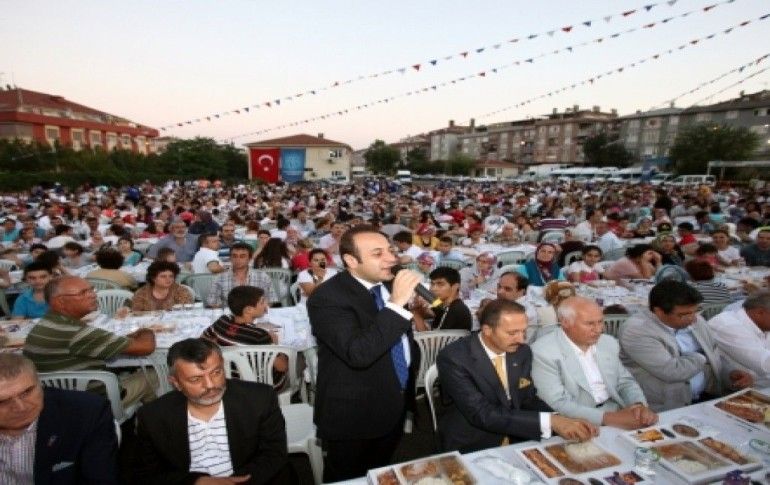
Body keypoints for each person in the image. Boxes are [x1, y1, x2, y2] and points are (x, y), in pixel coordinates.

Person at [307, 225, 422, 482]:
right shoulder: (327, 298)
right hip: (354, 413)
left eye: (390, 250)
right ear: (351, 260)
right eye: (378, 254)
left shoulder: (388, 283)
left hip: (394, 400)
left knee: (380, 472)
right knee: (347, 477)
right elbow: (358, 353)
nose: (391, 258)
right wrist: (397, 305)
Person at [436, 299, 598, 453]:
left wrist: (561, 419)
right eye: (512, 333)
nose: (521, 339)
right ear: (487, 330)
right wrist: (551, 422)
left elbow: (527, 398)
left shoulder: (521, 352)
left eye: (523, 331)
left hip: (518, 435)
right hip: (473, 441)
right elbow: (482, 414)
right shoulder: (454, 358)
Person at [133, 338, 291, 484]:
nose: (210, 385)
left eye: (216, 372)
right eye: (196, 379)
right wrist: (195, 482)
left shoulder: (259, 399)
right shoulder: (152, 416)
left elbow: (274, 454)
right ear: (176, 383)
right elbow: (147, 474)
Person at [619, 280, 752, 412]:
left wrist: (730, 374)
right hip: (666, 408)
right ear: (659, 311)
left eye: (695, 311)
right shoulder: (636, 330)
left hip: (706, 397)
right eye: (684, 314)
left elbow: (714, 354)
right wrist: (702, 356)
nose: (693, 318)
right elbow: (672, 371)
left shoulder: (696, 320)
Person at [23, 276, 157, 406]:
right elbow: (145, 347)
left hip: (59, 399)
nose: (93, 295)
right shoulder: (76, 333)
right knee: (154, 374)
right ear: (60, 302)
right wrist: (147, 330)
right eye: (83, 293)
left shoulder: (46, 323)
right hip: (95, 402)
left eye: (91, 290)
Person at [531, 297, 658, 429]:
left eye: (600, 322)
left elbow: (624, 382)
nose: (599, 330)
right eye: (590, 324)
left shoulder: (607, 342)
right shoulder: (543, 352)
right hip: (576, 423)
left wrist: (638, 406)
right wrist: (610, 419)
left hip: (616, 409)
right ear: (565, 322)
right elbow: (557, 403)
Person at [0, 354, 119, 485]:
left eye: (27, 392)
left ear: (40, 384)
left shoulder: (86, 414)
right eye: (3, 401)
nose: (21, 407)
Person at [708, 292, 770, 387]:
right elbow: (764, 363)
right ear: (759, 313)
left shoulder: (763, 324)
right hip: (744, 390)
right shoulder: (728, 325)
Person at [207, 242, 276, 308]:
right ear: (230, 258)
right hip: (229, 313)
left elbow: (270, 300)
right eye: (234, 256)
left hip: (257, 313)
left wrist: (256, 312)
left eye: (242, 256)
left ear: (249, 259)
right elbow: (213, 302)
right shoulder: (220, 278)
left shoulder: (263, 277)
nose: (238, 259)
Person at [412, 267, 472, 331]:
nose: (433, 289)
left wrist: (417, 315)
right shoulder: (444, 305)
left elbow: (429, 337)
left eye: (440, 284)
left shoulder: (456, 311)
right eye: (432, 284)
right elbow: (431, 313)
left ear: (455, 287)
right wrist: (419, 308)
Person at [495, 271, 539, 342]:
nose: (500, 292)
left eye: (507, 289)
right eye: (499, 287)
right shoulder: (507, 302)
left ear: (521, 292)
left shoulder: (525, 313)